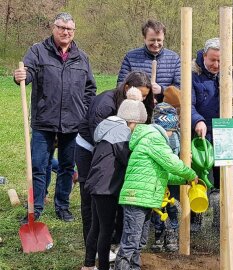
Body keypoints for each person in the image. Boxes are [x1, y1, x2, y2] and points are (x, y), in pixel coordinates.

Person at [13, 12, 96, 223]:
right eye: (61, 27)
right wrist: (21, 76)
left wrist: (83, 111)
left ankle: (62, 206)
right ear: (54, 28)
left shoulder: (82, 57)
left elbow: (90, 89)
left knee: (67, 167)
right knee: (39, 166)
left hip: (73, 123)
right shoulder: (38, 51)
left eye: (69, 29)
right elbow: (28, 71)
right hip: (44, 121)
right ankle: (36, 208)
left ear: (74, 31)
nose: (65, 32)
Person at [75, 71, 153, 253]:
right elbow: (100, 139)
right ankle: (92, 246)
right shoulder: (105, 104)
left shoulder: (137, 104)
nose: (142, 99)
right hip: (90, 149)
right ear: (127, 88)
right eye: (140, 94)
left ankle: (112, 241)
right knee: (91, 198)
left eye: (145, 96)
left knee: (116, 195)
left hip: (118, 148)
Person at [114, 112, 198, 270]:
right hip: (136, 198)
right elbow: (172, 162)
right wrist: (190, 174)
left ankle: (134, 268)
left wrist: (184, 180)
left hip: (144, 199)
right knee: (131, 241)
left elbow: (165, 174)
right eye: (172, 131)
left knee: (140, 241)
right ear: (166, 128)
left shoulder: (150, 139)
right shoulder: (154, 138)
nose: (172, 135)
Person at [82, 89, 147, 270]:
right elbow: (127, 160)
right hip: (106, 188)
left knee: (96, 226)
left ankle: (88, 264)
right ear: (132, 121)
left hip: (96, 183)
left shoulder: (107, 129)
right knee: (106, 229)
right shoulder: (121, 135)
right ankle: (103, 266)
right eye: (136, 125)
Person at [191, 37, 233, 232]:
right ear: (204, 56)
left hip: (225, 135)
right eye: (213, 60)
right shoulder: (193, 76)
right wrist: (198, 120)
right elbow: (189, 104)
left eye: (221, 61)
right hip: (201, 137)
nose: (216, 65)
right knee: (200, 176)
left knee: (224, 180)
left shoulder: (229, 76)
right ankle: (196, 220)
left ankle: (219, 221)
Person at [117, 19, 180, 103]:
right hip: (137, 107)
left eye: (159, 40)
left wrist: (162, 89)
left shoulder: (174, 59)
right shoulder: (131, 57)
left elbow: (181, 88)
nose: (156, 44)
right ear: (144, 38)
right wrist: (141, 94)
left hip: (166, 110)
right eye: (152, 40)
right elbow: (121, 86)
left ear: (163, 38)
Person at [150, 102, 181, 252]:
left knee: (172, 204)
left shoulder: (177, 136)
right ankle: (158, 233)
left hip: (174, 177)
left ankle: (172, 232)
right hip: (157, 176)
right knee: (158, 205)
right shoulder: (153, 137)